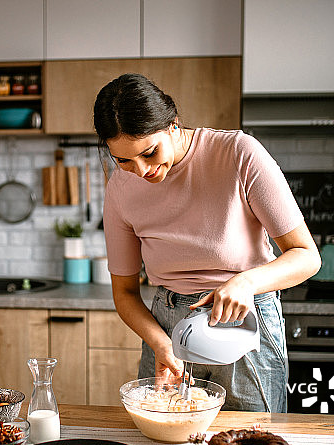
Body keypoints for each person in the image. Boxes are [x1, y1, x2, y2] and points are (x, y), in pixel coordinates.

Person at [93, 73, 321, 413]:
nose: (141, 171)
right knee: (165, 438)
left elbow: (306, 256)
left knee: (252, 438)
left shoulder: (238, 153)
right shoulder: (120, 187)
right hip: (167, 327)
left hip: (244, 320)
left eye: (150, 152)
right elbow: (124, 293)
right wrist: (161, 344)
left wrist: (245, 282)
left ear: (173, 124)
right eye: (123, 160)